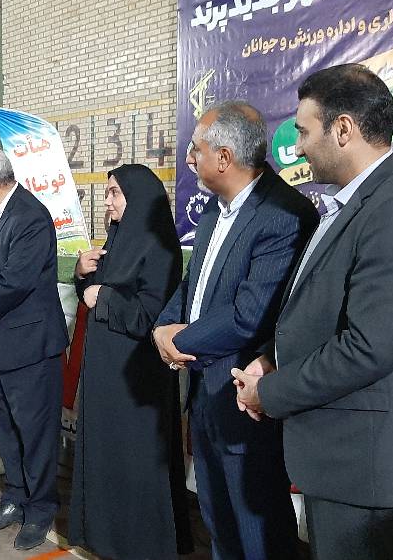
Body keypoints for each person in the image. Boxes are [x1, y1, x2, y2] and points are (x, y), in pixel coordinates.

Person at [232, 64, 393, 560]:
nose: (298, 148)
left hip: (364, 464)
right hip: (344, 456)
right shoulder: (357, 202)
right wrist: (271, 359)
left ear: (344, 129)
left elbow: (369, 346)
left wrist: (271, 391)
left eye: (304, 132)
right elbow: (321, 312)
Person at [153, 101, 318, 560]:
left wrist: (178, 341)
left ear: (224, 157)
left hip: (246, 394)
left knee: (257, 526)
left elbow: (250, 314)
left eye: (196, 149)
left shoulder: (284, 213)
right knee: (218, 519)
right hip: (204, 390)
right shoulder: (214, 210)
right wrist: (162, 327)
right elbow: (193, 282)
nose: (189, 159)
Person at [69, 164, 192, 560]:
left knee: (134, 463)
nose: (107, 202)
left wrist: (103, 296)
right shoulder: (118, 238)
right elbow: (93, 292)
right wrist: (81, 274)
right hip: (106, 375)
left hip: (137, 380)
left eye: (114, 193)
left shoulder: (160, 247)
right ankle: (107, 540)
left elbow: (150, 315)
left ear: (138, 198)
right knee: (107, 459)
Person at [0, 146, 68, 551]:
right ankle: (15, 499)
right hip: (0, 345)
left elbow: (14, 282)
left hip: (31, 347)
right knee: (6, 431)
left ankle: (40, 509)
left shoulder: (30, 217)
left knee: (35, 435)